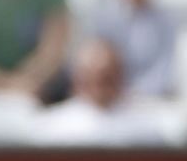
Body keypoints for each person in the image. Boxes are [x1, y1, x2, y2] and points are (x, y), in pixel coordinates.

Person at [27, 39, 172, 145]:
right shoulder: (52, 127)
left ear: (120, 77)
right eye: (91, 78)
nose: (99, 87)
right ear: (77, 80)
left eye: (106, 78)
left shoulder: (145, 128)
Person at [90, 0, 178, 98]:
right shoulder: (106, 18)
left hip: (153, 98)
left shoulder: (164, 20)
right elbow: (100, 62)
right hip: (112, 98)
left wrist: (142, 92)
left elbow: (165, 65)